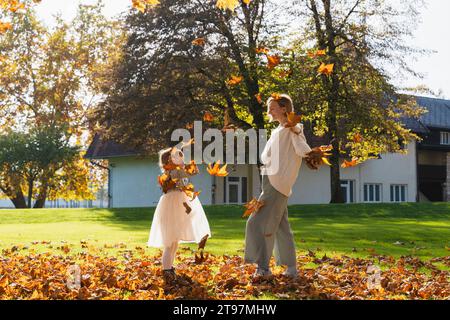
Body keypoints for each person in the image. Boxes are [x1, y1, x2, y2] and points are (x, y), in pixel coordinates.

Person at [244, 94, 324, 279]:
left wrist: (311, 153)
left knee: (257, 222)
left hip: (277, 183)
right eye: (268, 107)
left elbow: (301, 146)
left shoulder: (292, 128)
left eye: (272, 107)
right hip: (270, 180)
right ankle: (291, 268)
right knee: (281, 226)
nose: (269, 111)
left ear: (283, 108)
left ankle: (263, 269)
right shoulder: (279, 129)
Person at [148, 146, 211, 283]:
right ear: (171, 161)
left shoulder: (175, 172)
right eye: (179, 157)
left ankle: (169, 267)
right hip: (174, 204)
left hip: (177, 203)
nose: (183, 160)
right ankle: (166, 270)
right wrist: (187, 170)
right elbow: (186, 181)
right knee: (170, 243)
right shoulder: (174, 172)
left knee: (173, 242)